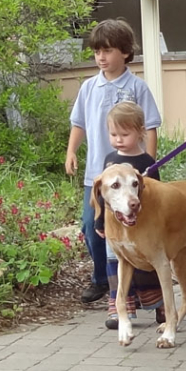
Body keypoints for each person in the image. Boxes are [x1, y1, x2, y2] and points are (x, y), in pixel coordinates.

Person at [66, 19, 160, 306]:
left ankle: (139, 286)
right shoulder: (88, 87)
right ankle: (101, 279)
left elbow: (151, 127)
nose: (101, 57)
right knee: (91, 226)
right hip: (97, 175)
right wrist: (71, 151)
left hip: (130, 177)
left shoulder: (137, 87)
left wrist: (149, 166)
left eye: (107, 51)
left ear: (125, 52)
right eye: (97, 52)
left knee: (135, 227)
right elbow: (79, 123)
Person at [101, 101, 163, 330]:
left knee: (148, 260)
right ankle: (119, 304)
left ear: (140, 132)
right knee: (113, 261)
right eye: (113, 134)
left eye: (124, 134)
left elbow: (156, 194)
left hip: (142, 223)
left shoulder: (146, 162)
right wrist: (99, 221)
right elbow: (103, 195)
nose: (118, 139)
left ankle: (158, 302)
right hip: (115, 224)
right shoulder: (109, 161)